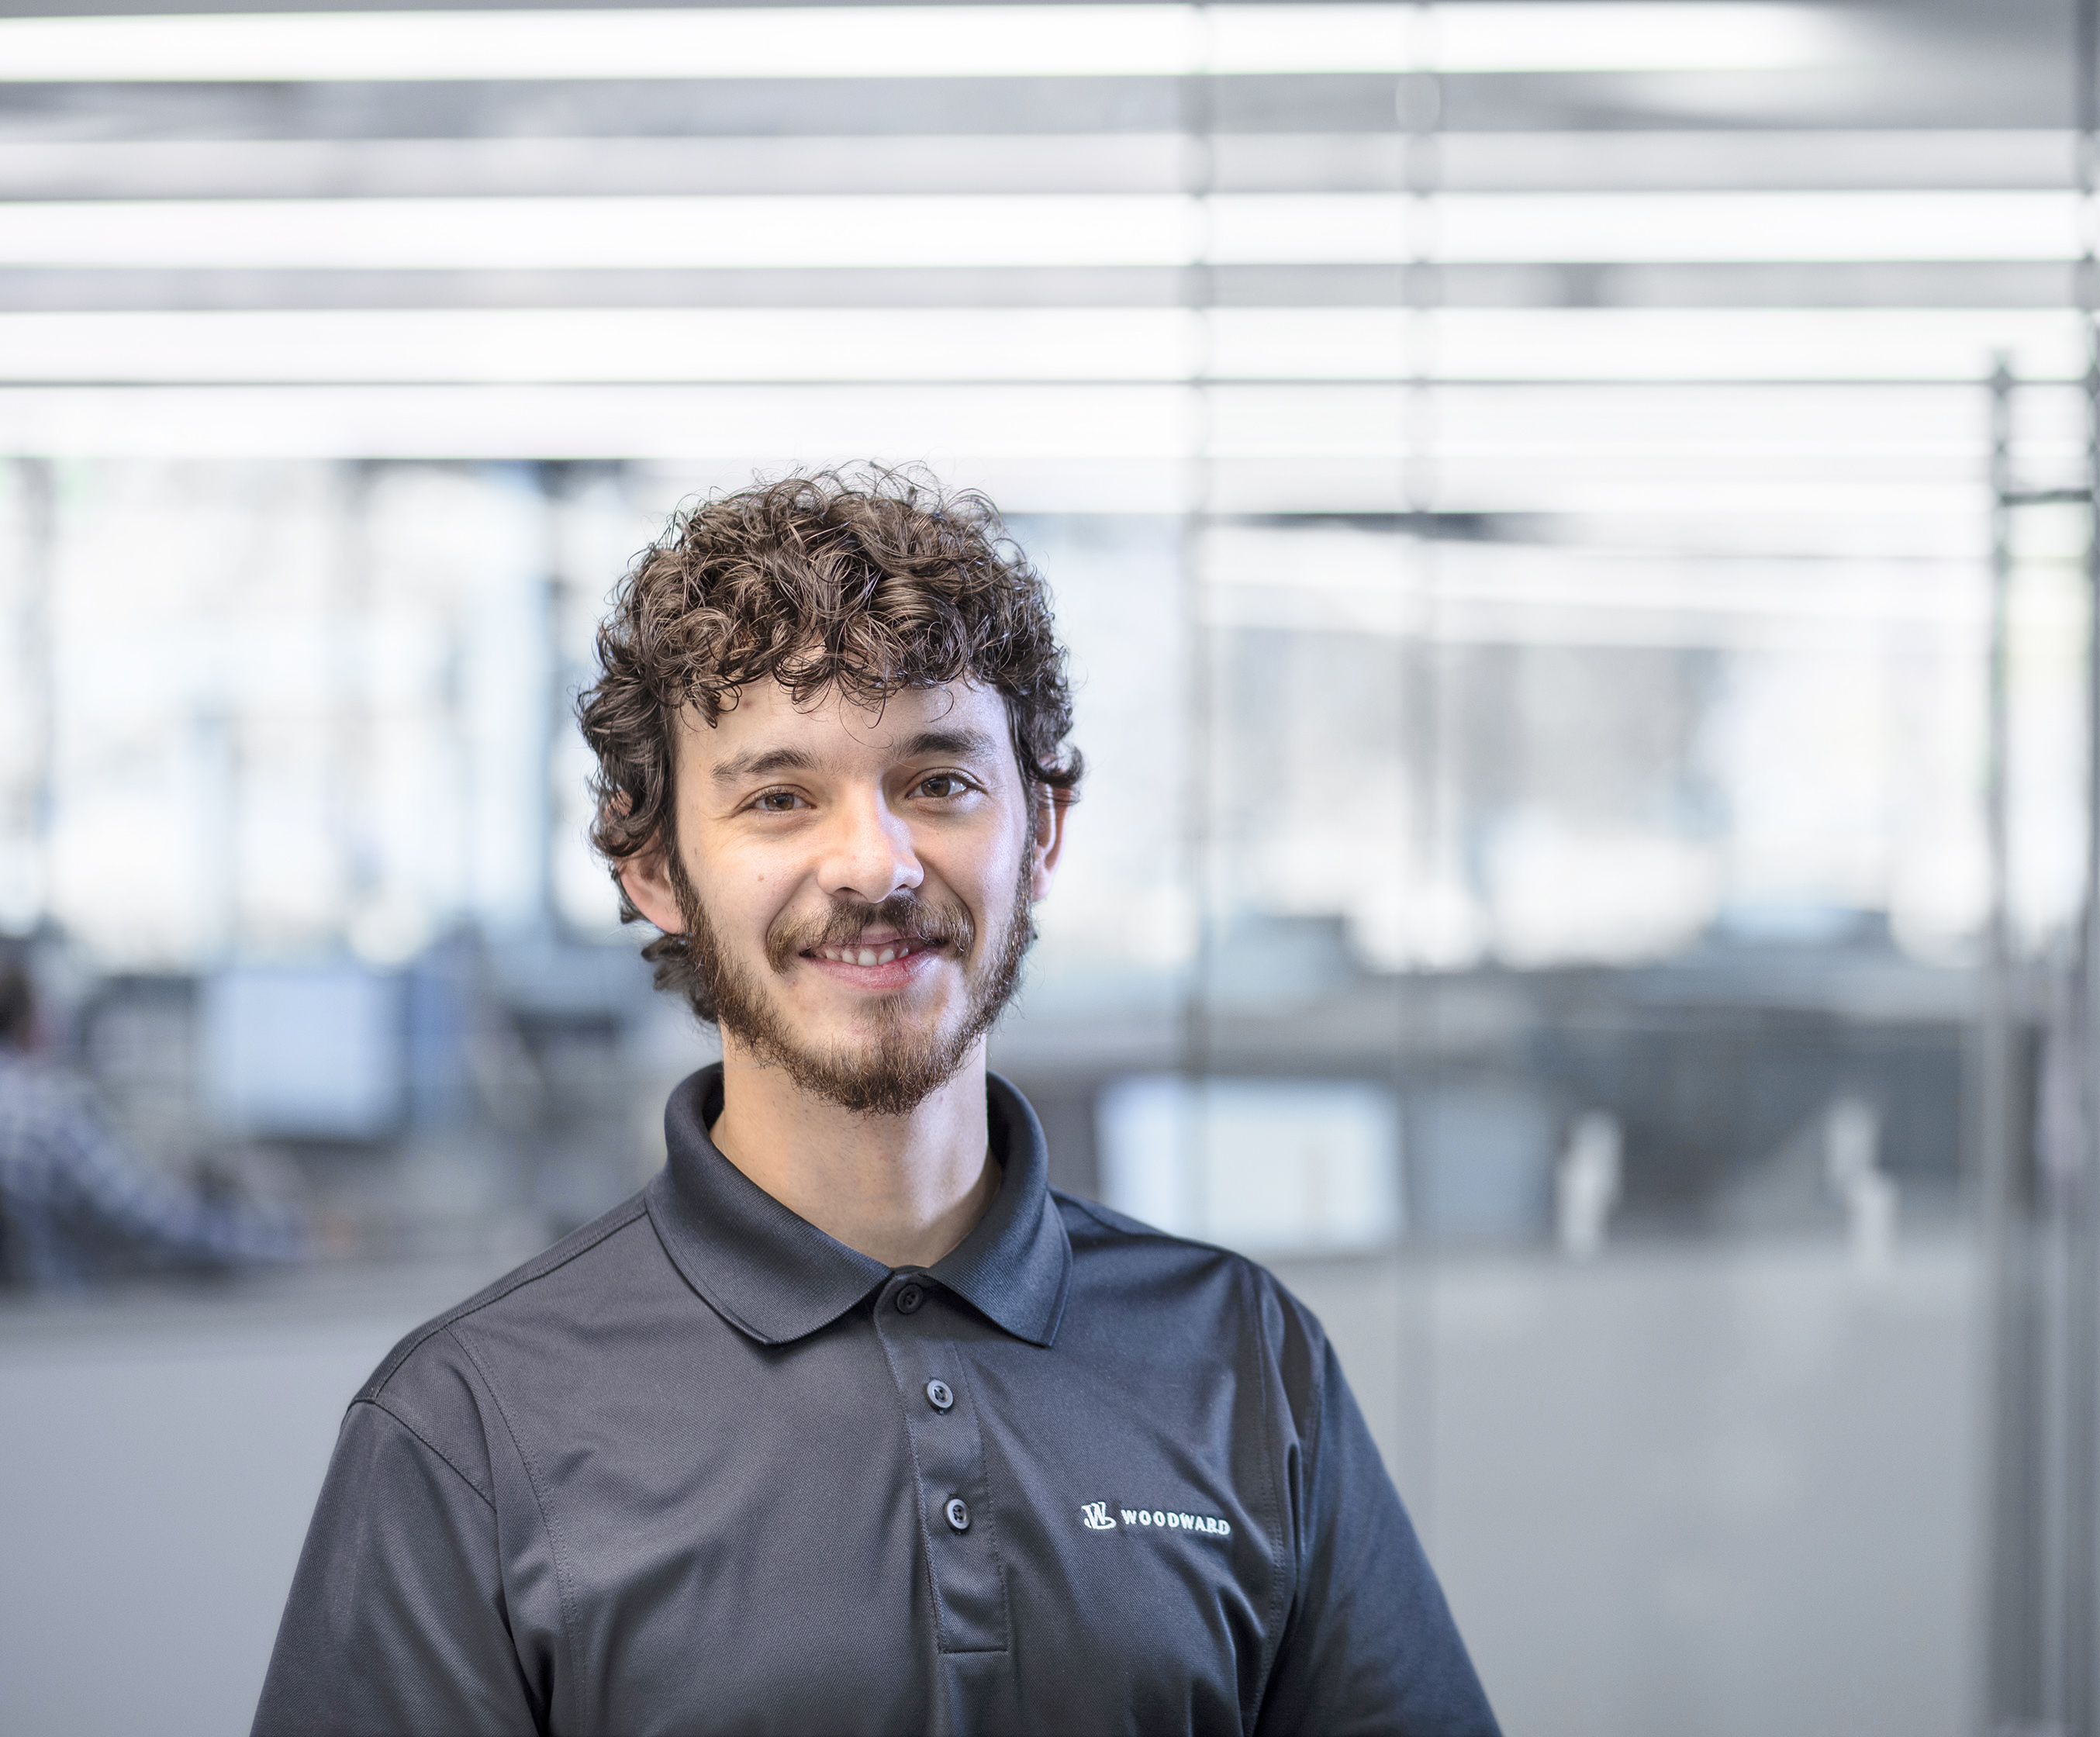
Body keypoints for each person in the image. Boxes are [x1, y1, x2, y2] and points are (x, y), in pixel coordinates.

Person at [254, 469, 1497, 1736]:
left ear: (1044, 828)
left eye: (939, 781)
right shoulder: (473, 1424)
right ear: (654, 869)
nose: (876, 864)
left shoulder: (1242, 1360)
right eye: (779, 797)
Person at [0, 946, 300, 1289]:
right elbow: (157, 1223)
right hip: (65, 1328)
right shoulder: (47, 1114)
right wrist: (287, 1241)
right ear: (32, 1021)